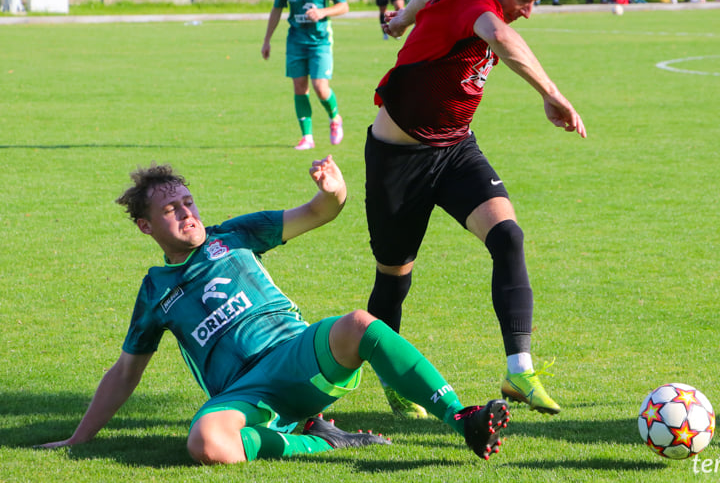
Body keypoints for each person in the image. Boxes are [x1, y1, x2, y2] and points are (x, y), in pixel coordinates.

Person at [36, 157, 511, 462]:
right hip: (248, 392)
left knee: (359, 325)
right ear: (145, 227)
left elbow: (318, 212)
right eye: (170, 211)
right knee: (205, 442)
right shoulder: (155, 292)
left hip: (297, 354)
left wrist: (332, 191)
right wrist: (78, 440)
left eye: (188, 202)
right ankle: (318, 441)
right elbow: (125, 373)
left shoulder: (234, 235)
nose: (186, 214)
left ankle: (461, 417)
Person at [366, 0, 587, 420]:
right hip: (397, 160)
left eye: (535, 3)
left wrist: (403, 17)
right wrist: (552, 93)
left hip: (455, 149)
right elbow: (501, 39)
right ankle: (394, 376)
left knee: (508, 236)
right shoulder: (475, 3)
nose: (527, 12)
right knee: (394, 277)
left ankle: (519, 370)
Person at [262, 0, 348, 151]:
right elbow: (277, 10)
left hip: (320, 41)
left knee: (320, 87)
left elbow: (343, 5)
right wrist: (267, 40)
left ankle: (335, 117)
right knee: (300, 86)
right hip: (296, 41)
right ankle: (307, 136)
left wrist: (322, 12)